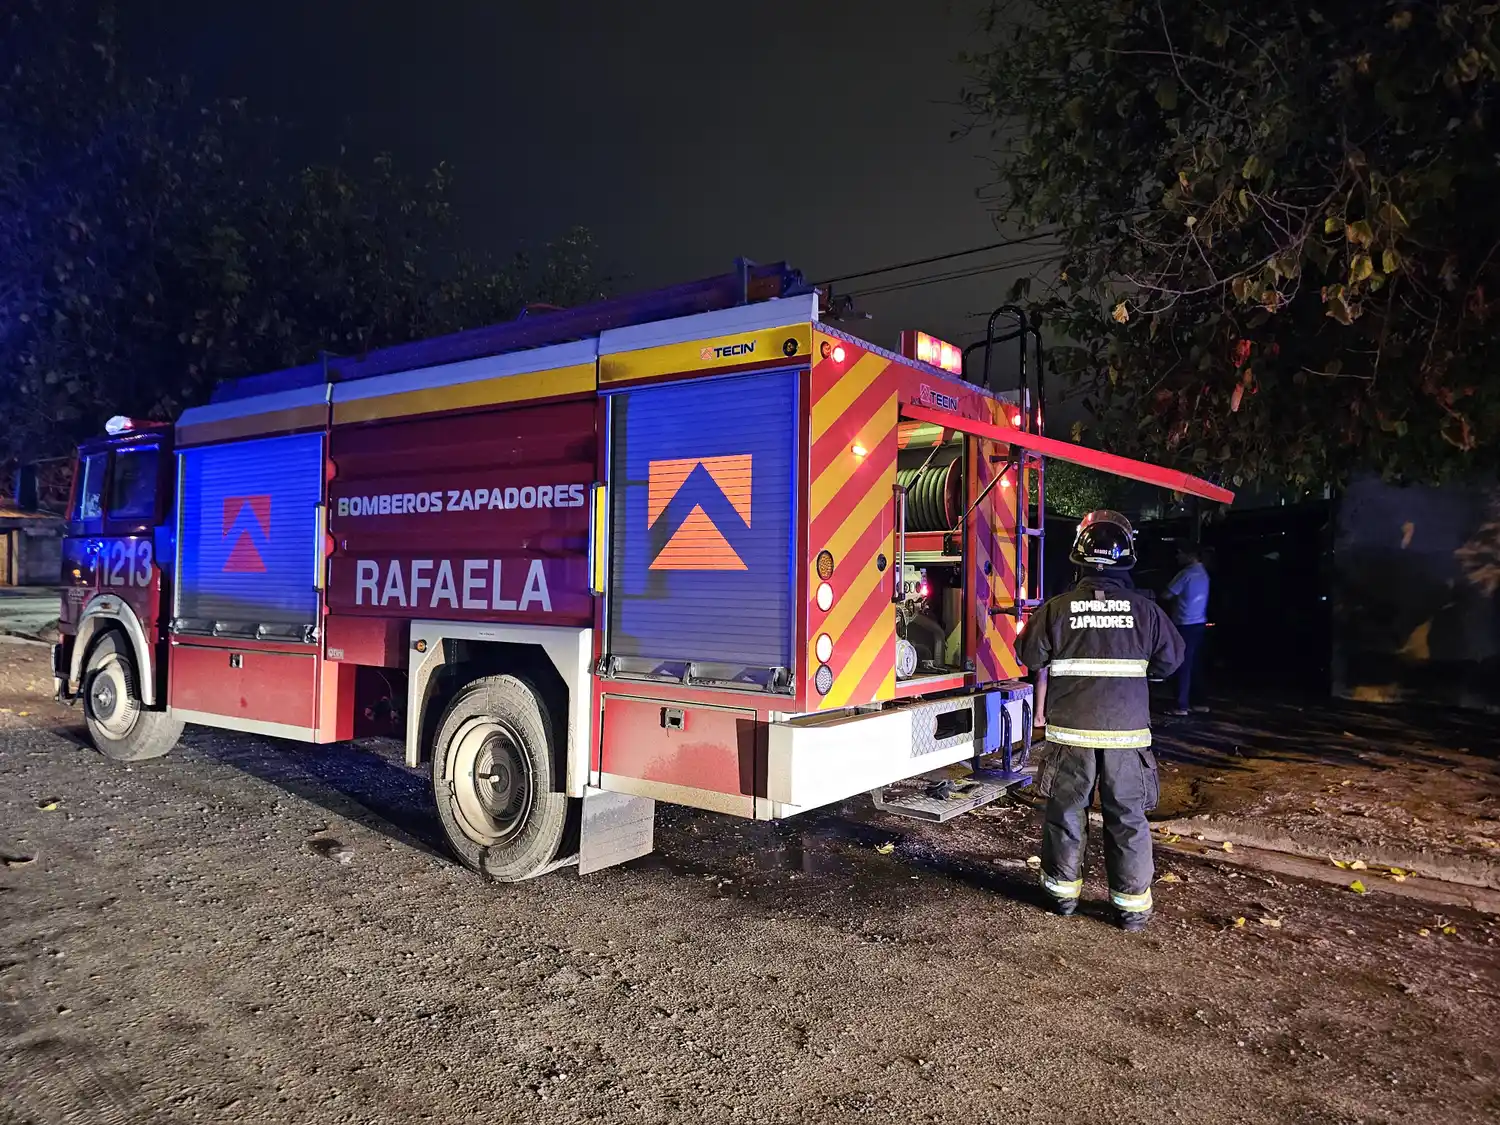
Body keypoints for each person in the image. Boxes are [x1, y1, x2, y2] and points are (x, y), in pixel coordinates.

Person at [1016, 510, 1184, 932]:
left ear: (1078, 556)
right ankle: (1131, 909)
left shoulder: (1057, 609)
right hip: (1126, 738)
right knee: (1127, 818)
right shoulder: (1146, 612)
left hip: (1071, 736)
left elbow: (1029, 655)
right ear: (1128, 556)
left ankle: (1062, 897)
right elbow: (1171, 661)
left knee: (1067, 814)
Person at [1162, 543, 1211, 717]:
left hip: (1184, 624)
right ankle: (1200, 702)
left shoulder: (1186, 574)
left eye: (1180, 553)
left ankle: (1181, 705)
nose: (1177, 557)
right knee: (1195, 664)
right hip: (1199, 624)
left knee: (1182, 664)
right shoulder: (1203, 573)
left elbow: (1166, 594)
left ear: (1190, 555)